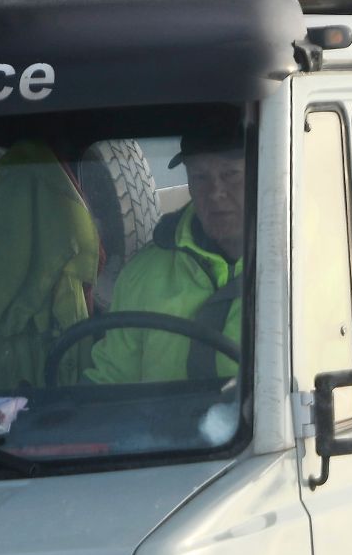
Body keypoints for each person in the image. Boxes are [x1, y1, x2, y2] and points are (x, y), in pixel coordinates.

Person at [85, 132, 244, 385]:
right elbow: (110, 381)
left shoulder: (301, 270)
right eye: (200, 177)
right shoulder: (141, 275)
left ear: (263, 172)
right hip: (156, 425)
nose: (215, 192)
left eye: (230, 175)